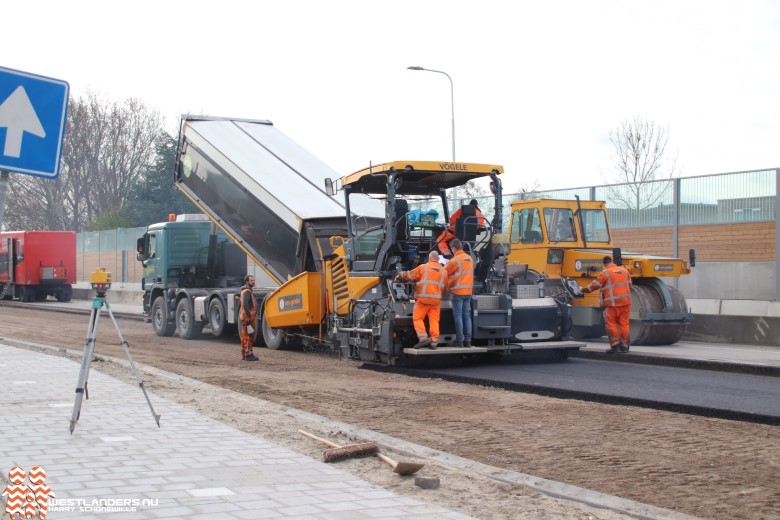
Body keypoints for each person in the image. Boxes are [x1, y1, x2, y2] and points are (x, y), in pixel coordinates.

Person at [396, 251, 446, 349]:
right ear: (438, 259)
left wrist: (401, 274)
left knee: (418, 318)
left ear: (429, 258)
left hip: (423, 300)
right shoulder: (444, 271)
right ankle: (434, 342)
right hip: (436, 301)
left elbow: (410, 275)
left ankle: (423, 338)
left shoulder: (424, 267)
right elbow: (445, 285)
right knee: (434, 321)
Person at [581, 256, 632, 353]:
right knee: (624, 324)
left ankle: (615, 346)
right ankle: (625, 346)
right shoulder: (625, 271)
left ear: (604, 264)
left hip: (612, 304)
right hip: (626, 302)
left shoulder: (605, 273)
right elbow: (629, 285)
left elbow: (593, 287)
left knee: (611, 324)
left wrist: (582, 289)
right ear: (612, 261)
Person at [445, 238, 474, 348]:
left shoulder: (455, 260)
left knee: (458, 316)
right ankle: (468, 340)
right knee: (466, 316)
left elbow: (444, 272)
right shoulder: (470, 259)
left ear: (453, 248)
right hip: (468, 292)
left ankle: (459, 340)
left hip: (457, 292)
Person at [239, 275, 259, 361]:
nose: (253, 282)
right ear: (247, 282)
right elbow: (246, 306)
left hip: (245, 318)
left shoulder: (245, 291)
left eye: (254, 280)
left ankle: (244, 354)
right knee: (249, 336)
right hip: (248, 319)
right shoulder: (247, 292)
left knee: (244, 336)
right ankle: (249, 355)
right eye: (251, 281)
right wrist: (250, 316)